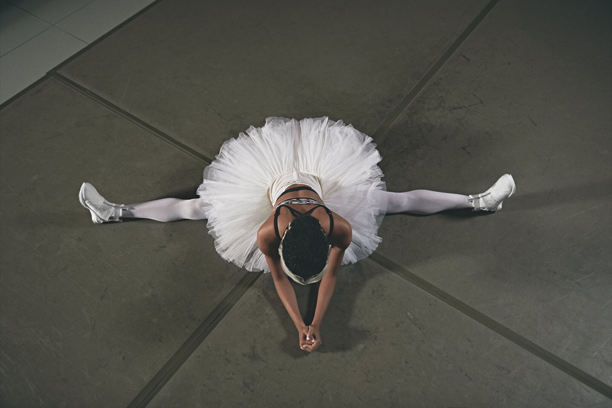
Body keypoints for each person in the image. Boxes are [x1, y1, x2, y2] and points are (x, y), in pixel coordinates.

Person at [78, 117, 516, 353]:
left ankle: (480, 201)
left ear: (325, 238)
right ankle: (113, 212)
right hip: (274, 186)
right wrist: (305, 323)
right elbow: (281, 281)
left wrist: (311, 323)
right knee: (195, 207)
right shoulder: (267, 230)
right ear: (285, 241)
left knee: (396, 200)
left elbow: (327, 278)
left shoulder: (338, 225)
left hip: (316, 183)